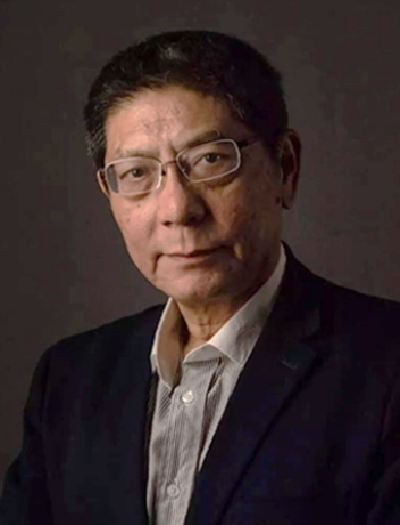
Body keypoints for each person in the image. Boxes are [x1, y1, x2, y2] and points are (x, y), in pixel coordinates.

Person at [1, 30, 400, 525]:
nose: (178, 209)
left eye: (210, 159)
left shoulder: (386, 369)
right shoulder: (69, 381)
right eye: (137, 173)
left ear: (285, 167)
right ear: (109, 193)